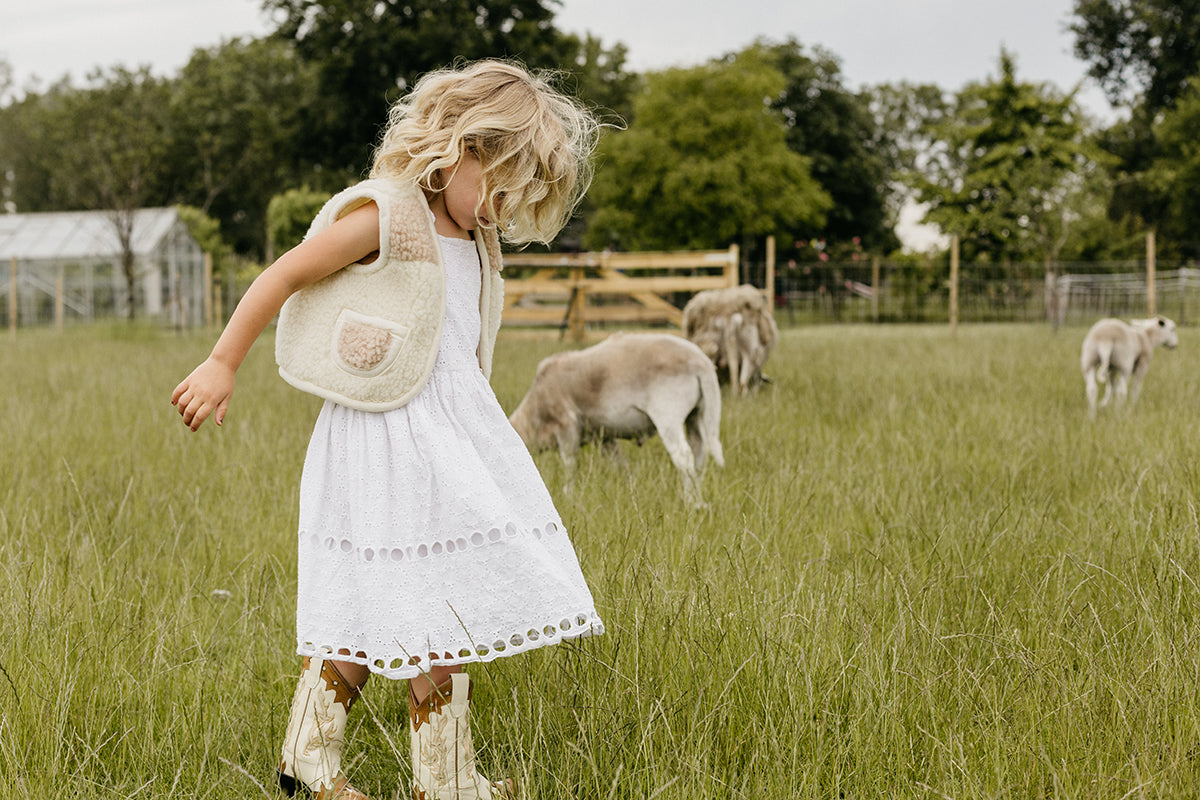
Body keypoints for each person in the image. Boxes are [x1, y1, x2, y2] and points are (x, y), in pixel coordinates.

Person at [172, 60, 605, 800]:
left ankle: (326, 763)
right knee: (424, 609)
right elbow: (283, 275)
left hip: (443, 444)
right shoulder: (388, 217)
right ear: (460, 149)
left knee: (417, 607)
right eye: (498, 186)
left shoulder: (476, 238)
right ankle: (428, 782)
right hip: (382, 444)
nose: (500, 207)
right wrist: (221, 361)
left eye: (516, 197)